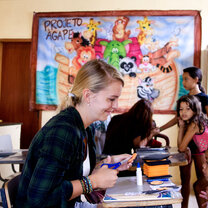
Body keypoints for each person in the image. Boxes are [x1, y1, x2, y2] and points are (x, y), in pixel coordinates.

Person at [15, 59, 133, 208]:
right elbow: (39, 200)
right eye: (111, 99)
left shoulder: (85, 128)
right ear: (88, 95)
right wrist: (94, 182)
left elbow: (73, 174)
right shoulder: (63, 131)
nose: (116, 106)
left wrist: (107, 164)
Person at [176, 95, 208, 208]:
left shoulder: (194, 124)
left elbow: (181, 148)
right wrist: (181, 127)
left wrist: (182, 129)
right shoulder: (198, 120)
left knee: (199, 186)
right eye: (181, 109)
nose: (183, 112)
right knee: (199, 186)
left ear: (194, 109)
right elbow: (181, 147)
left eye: (188, 108)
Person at [160, 66, 208, 132]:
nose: (183, 82)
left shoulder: (205, 98)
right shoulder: (184, 99)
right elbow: (177, 118)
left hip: (199, 136)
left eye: (186, 79)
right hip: (184, 134)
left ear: (196, 80)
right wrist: (160, 129)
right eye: (183, 79)